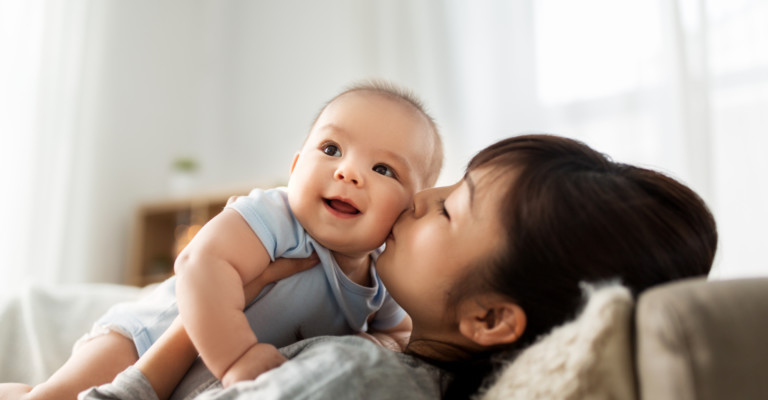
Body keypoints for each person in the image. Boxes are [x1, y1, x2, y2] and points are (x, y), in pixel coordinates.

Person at [77, 134, 717, 400]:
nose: (418, 199)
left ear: (489, 318)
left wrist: (216, 308)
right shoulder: (388, 346)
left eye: (450, 210)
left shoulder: (352, 380)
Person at [0, 81, 444, 400]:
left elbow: (399, 331)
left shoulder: (381, 277)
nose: (347, 172)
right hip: (147, 338)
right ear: (294, 169)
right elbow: (201, 264)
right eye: (331, 149)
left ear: (411, 208)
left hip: (200, 380)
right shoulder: (275, 216)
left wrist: (380, 344)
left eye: (383, 170)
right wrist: (237, 357)